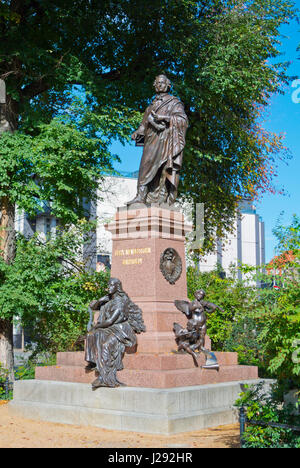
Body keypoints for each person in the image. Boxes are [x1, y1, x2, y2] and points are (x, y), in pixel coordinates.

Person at [128, 74, 188, 205]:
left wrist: (164, 118)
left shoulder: (174, 103)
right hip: (151, 141)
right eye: (157, 83)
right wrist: (137, 132)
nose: (159, 85)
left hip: (166, 141)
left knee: (163, 168)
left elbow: (183, 120)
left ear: (168, 85)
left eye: (162, 83)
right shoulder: (150, 107)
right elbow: (143, 126)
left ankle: (160, 197)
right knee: (145, 165)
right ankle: (141, 196)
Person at [85, 278, 146, 389]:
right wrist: (100, 300)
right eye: (108, 285)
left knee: (106, 345)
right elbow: (93, 307)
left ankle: (104, 378)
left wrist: (96, 326)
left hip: (121, 330)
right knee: (92, 335)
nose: (109, 287)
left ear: (117, 287)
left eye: (111, 285)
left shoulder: (119, 302)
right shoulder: (109, 300)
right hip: (110, 328)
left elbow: (110, 321)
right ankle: (94, 363)